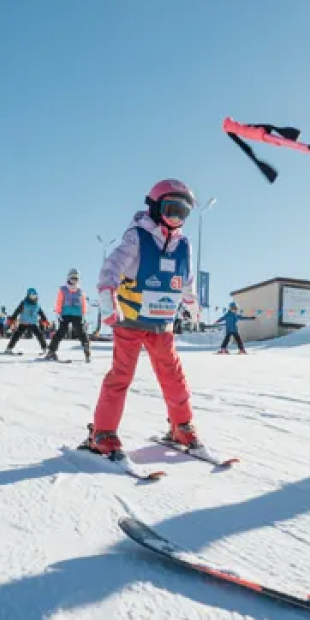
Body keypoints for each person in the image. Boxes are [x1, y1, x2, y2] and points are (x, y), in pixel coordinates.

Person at [83, 179, 202, 457]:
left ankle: (181, 426)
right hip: (132, 320)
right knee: (121, 375)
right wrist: (106, 298)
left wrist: (191, 302)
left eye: (182, 212)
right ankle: (103, 432)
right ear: (155, 207)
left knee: (173, 376)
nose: (176, 218)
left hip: (162, 324)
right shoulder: (137, 236)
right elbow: (110, 268)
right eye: (171, 209)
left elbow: (187, 279)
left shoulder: (185, 245)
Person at [46, 269, 92, 362]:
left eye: (76, 278)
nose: (74, 280)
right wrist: (58, 312)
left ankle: (87, 351)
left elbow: (83, 303)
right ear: (68, 278)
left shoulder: (80, 291)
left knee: (81, 332)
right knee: (61, 332)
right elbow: (59, 301)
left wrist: (83, 314)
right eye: (72, 278)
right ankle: (51, 351)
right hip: (65, 314)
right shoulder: (63, 289)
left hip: (77, 314)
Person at [5, 288, 49, 354]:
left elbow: (41, 313)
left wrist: (45, 321)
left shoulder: (37, 305)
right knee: (16, 335)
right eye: (32, 296)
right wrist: (12, 319)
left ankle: (45, 348)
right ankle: (9, 348)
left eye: (35, 296)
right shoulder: (23, 303)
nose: (33, 298)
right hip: (23, 323)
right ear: (28, 296)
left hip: (33, 323)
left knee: (39, 335)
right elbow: (17, 311)